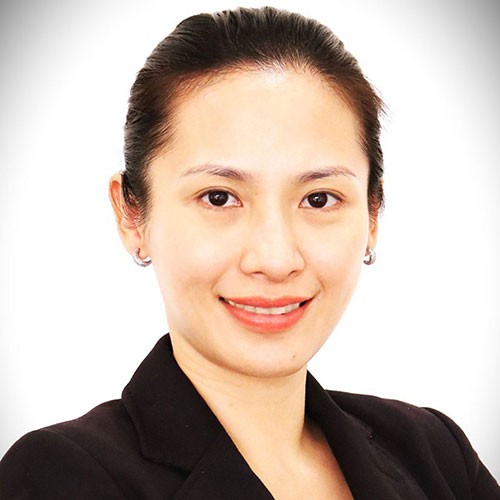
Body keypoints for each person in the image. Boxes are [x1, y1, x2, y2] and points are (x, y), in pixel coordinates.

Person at [1, 6, 498, 499]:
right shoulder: (59, 475)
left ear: (372, 215)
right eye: (219, 198)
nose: (276, 259)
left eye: (319, 199)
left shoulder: (434, 454)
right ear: (132, 214)